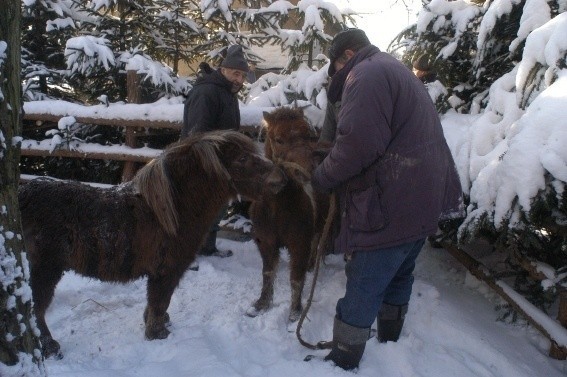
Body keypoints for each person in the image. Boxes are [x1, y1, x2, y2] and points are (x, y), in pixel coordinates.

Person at [311, 29, 463, 371]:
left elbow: (358, 146)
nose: (335, 74)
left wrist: (322, 177)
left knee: (365, 281)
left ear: (347, 55)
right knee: (399, 273)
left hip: (392, 199)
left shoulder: (364, 75)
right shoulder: (392, 69)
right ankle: (391, 341)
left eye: (335, 65)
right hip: (421, 197)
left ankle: (342, 360)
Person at [181, 44, 250, 258]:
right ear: (223, 70)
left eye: (243, 75)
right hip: (201, 162)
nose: (239, 79)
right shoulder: (206, 92)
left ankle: (206, 247)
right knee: (195, 210)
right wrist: (205, 164)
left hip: (221, 162)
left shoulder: (227, 93)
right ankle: (185, 254)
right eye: (235, 73)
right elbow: (197, 133)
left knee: (215, 207)